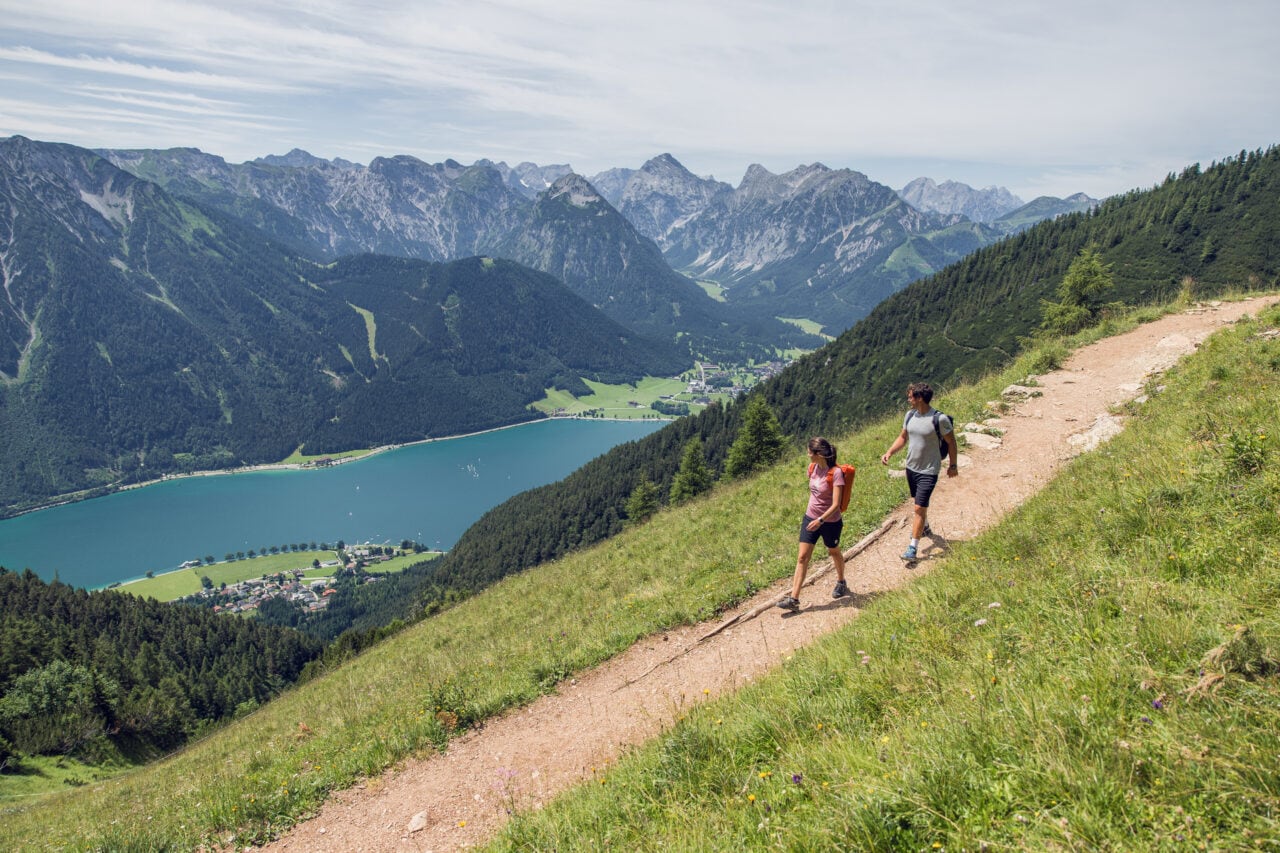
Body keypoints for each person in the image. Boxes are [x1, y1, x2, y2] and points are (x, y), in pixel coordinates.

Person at [880, 382, 958, 561]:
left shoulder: (939, 419)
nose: (908, 400)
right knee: (918, 503)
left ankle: (912, 548)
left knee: (918, 508)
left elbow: (951, 442)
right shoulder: (910, 416)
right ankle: (926, 526)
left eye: (910, 397)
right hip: (911, 468)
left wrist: (953, 465)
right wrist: (890, 452)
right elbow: (903, 437)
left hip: (929, 470)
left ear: (919, 398)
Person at [777, 437, 849, 612]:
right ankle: (794, 599)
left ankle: (841, 581)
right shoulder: (812, 468)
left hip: (829, 521)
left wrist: (821, 520)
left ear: (818, 454)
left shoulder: (836, 473)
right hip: (810, 518)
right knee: (802, 557)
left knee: (833, 551)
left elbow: (835, 504)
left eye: (810, 452)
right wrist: (814, 519)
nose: (807, 454)